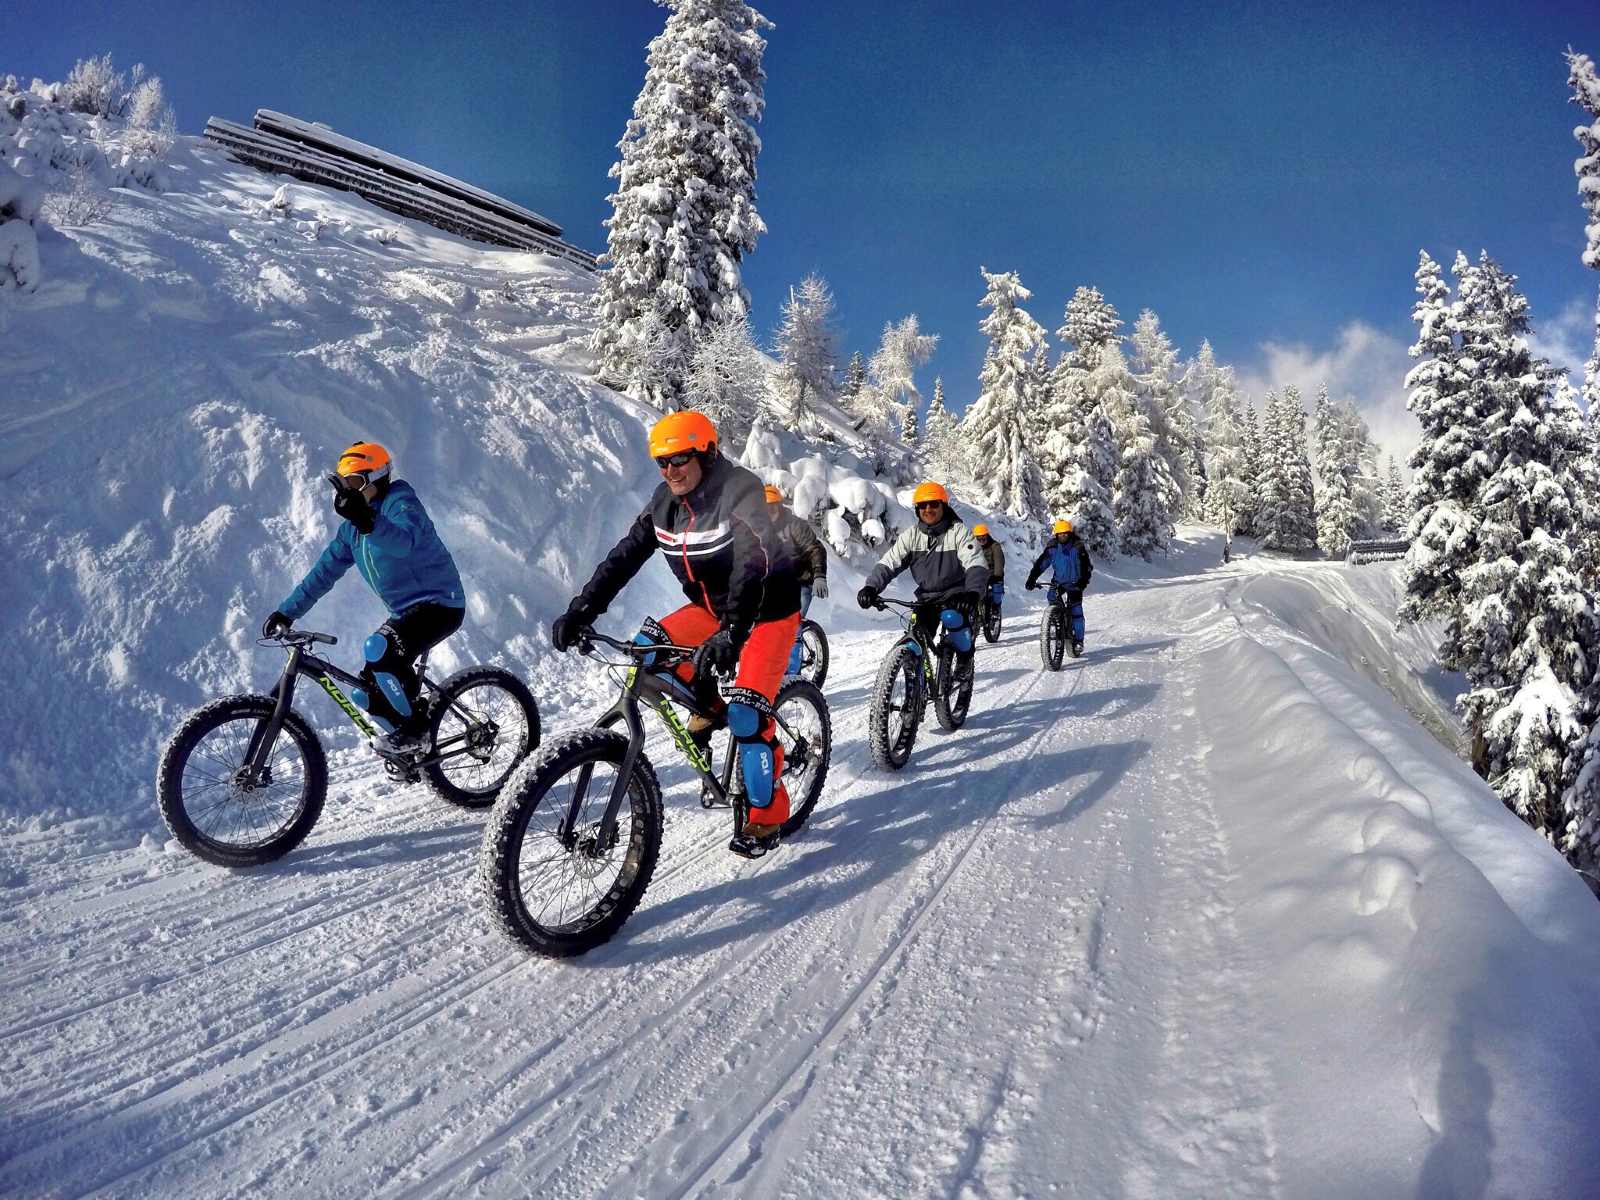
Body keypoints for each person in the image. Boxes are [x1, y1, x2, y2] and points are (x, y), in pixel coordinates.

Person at [550, 411, 801, 849]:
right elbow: (625, 556)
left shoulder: (739, 489)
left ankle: (767, 813)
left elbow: (752, 559)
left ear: (706, 452)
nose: (671, 471)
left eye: (680, 458)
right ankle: (708, 706)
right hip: (710, 609)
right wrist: (582, 610)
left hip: (766, 611)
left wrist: (733, 634)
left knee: (746, 715)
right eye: (662, 463)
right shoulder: (664, 503)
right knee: (647, 651)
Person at [261, 442, 466, 757]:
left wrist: (368, 522)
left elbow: (404, 544)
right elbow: (322, 574)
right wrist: (286, 613)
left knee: (377, 648)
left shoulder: (400, 503)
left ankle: (416, 730)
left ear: (378, 476)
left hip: (441, 603)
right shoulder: (352, 532)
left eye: (356, 483)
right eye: (345, 486)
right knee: (366, 694)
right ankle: (413, 751)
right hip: (407, 614)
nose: (350, 493)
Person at [856, 481, 989, 680]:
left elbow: (976, 562)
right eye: (922, 506)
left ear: (943, 505)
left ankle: (964, 659)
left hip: (956, 594)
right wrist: (871, 587)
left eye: (934, 504)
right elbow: (890, 562)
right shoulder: (912, 536)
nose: (928, 509)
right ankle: (914, 691)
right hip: (927, 597)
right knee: (916, 636)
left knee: (952, 618)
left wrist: (972, 592)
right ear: (917, 510)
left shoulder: (958, 532)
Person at [764, 484, 828, 676]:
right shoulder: (758, 529)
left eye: (773, 506)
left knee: (792, 625)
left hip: (801, 582)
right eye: (765, 508)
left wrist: (819, 576)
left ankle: (791, 678)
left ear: (780, 505)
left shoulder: (795, 525)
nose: (770, 511)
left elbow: (815, 549)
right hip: (774, 584)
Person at [1026, 518, 1094, 655]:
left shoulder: (1078, 547)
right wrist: (1032, 578)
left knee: (1076, 611)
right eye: (1060, 534)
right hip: (1058, 582)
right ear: (1056, 535)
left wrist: (1083, 581)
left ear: (1069, 534)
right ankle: (1057, 619)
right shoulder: (1052, 548)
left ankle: (1078, 641)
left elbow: (1087, 567)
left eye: (1065, 534)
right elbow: (1041, 564)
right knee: (1051, 596)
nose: (1062, 536)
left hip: (1075, 583)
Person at [973, 523, 1005, 624]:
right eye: (979, 538)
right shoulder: (971, 546)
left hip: (992, 573)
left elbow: (999, 561)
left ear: (987, 535)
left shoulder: (994, 546)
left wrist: (997, 575)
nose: (981, 540)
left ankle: (996, 607)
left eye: (983, 537)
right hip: (977, 573)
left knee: (997, 588)